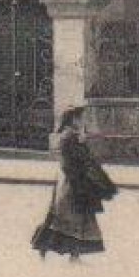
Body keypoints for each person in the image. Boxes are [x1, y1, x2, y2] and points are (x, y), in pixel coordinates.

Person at [32, 107, 119, 261]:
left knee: (73, 219)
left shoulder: (71, 136)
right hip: (71, 185)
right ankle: (48, 248)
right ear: (73, 119)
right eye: (80, 118)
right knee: (67, 219)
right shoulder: (68, 137)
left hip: (72, 183)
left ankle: (72, 254)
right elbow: (73, 162)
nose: (83, 121)